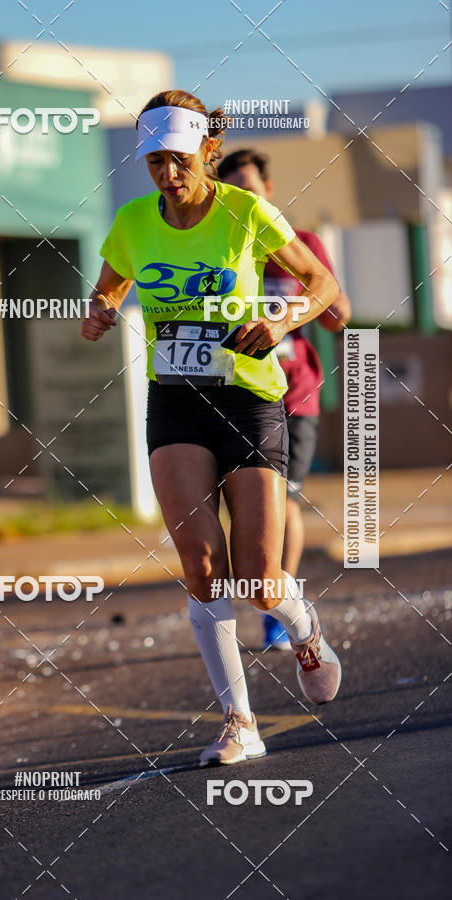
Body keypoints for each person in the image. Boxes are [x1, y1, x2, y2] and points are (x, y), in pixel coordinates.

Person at [82, 90, 342, 767]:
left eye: (179, 159)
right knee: (201, 566)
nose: (168, 174)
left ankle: (305, 630)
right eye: (154, 162)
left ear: (207, 151)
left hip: (249, 399)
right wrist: (99, 311)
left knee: (259, 581)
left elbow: (322, 284)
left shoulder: (245, 212)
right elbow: (109, 288)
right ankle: (239, 722)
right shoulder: (133, 221)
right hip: (175, 403)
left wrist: (282, 320)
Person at [218, 149, 351, 651]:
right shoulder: (223, 247)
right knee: (246, 509)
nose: (245, 200)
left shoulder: (302, 244)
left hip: (294, 394)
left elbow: (337, 309)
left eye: (251, 190)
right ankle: (267, 592)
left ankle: (279, 606)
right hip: (236, 393)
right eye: (235, 192)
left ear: (268, 190)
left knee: (285, 500)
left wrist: (320, 308)